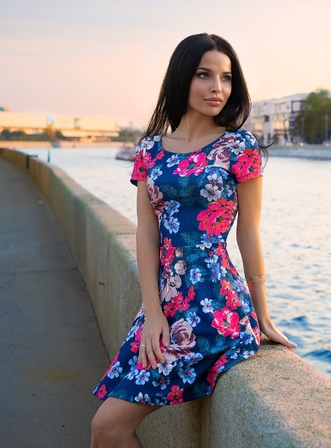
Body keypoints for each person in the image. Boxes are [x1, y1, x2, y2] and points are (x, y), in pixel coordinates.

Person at [90, 33, 296, 447]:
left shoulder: (238, 147)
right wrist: (151, 313)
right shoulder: (150, 149)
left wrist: (263, 314)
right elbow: (147, 235)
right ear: (182, 78)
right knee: (105, 428)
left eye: (226, 77)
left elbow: (249, 233)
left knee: (108, 426)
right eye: (204, 75)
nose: (217, 88)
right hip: (163, 304)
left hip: (214, 305)